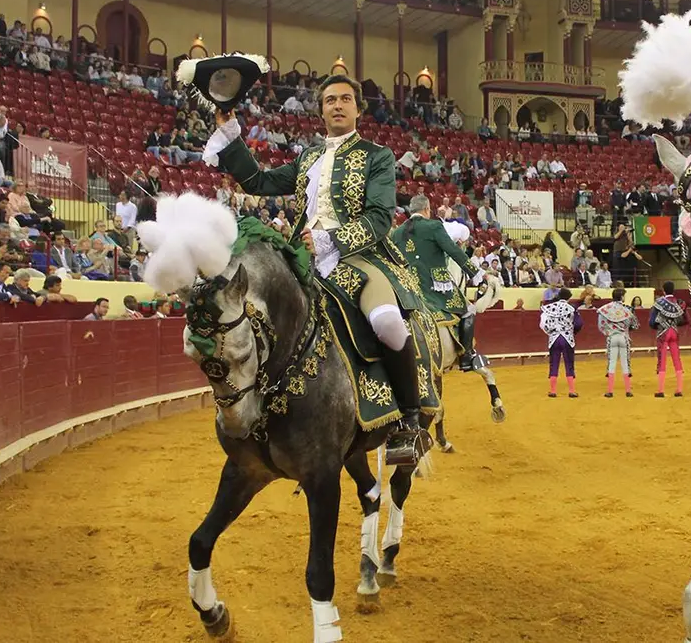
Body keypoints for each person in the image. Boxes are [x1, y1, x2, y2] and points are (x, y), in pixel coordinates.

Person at [204, 72, 430, 466]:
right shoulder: (308, 158)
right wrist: (230, 133)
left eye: (345, 99)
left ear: (358, 108)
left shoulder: (378, 156)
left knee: (388, 323)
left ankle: (408, 422)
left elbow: (379, 219)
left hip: (359, 259)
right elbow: (257, 181)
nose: (337, 105)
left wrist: (331, 240)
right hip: (304, 262)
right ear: (321, 110)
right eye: (330, 100)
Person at [392, 195, 488, 370]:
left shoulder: (397, 232)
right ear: (427, 209)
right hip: (434, 287)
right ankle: (466, 357)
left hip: (406, 289)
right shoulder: (434, 226)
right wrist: (475, 272)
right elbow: (453, 250)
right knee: (469, 311)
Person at [540, 288, 581, 398]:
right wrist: (572, 332)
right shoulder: (572, 308)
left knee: (554, 363)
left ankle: (553, 391)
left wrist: (550, 332)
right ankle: (572, 390)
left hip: (554, 338)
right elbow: (578, 324)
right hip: (567, 338)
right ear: (568, 297)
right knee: (569, 364)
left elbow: (543, 324)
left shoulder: (549, 308)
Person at [597, 287, 638, 398]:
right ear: (621, 297)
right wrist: (626, 329)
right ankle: (628, 390)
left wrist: (608, 332)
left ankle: (610, 391)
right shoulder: (627, 310)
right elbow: (635, 325)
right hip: (623, 337)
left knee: (612, 363)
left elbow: (601, 326)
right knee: (625, 363)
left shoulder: (605, 309)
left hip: (612, 337)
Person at [650, 281, 688, 397]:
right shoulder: (678, 303)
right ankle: (679, 390)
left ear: (663, 290)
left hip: (663, 332)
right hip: (674, 332)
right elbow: (685, 319)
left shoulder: (659, 302)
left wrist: (657, 326)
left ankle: (661, 390)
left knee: (662, 361)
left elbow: (652, 321)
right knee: (677, 360)